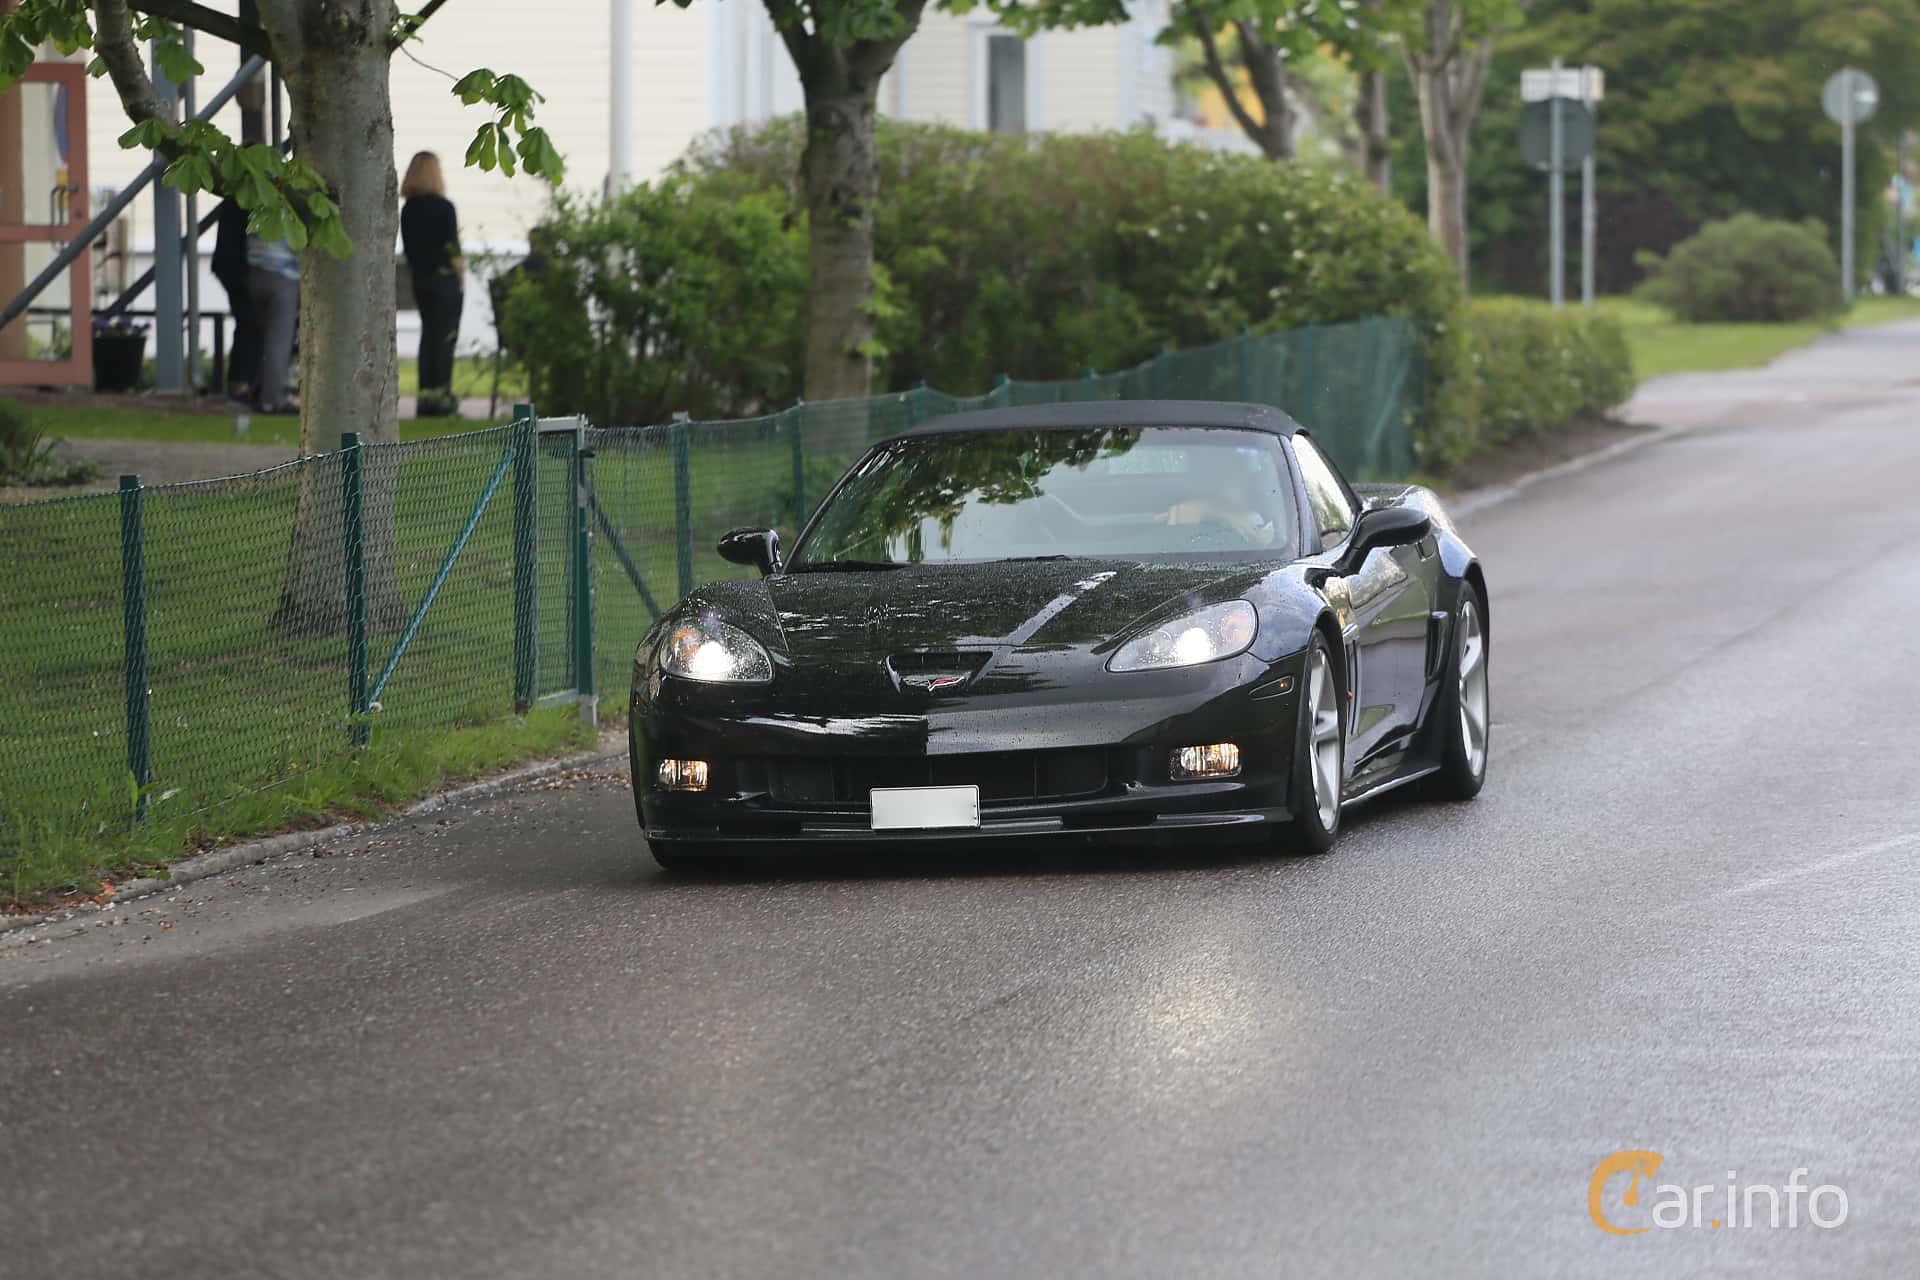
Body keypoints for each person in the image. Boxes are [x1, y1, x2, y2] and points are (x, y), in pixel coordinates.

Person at [400, 150, 465, 416]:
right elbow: (453, 248)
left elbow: (409, 249)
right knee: (445, 339)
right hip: (444, 281)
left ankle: (426, 397)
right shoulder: (445, 208)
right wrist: (460, 276)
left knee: (428, 338)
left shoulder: (408, 210)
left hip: (420, 280)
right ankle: (442, 396)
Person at [247, 227, 299, 414]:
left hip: (256, 271)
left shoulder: (260, 204)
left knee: (266, 339)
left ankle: (259, 391)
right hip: (283, 273)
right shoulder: (292, 205)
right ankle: (273, 400)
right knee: (279, 342)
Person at [211, 198, 259, 402]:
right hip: (239, 270)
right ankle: (243, 383)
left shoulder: (236, 200)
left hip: (233, 268)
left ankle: (243, 381)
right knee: (249, 323)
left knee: (247, 322)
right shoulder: (243, 202)